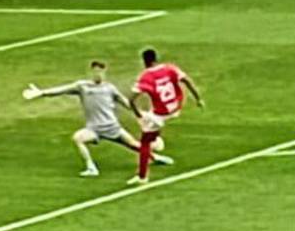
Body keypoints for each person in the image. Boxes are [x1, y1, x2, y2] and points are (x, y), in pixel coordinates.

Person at [23, 61, 173, 177]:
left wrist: (141, 114)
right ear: (91, 72)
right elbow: (61, 90)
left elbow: (125, 102)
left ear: (104, 73)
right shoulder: (82, 86)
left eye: (100, 72)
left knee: (135, 145)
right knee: (78, 138)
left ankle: (156, 157)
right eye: (95, 72)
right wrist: (41, 93)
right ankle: (91, 167)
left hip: (112, 127)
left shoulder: (109, 88)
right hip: (94, 129)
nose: (98, 75)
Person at [127, 48, 203, 184]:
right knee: (151, 120)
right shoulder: (170, 68)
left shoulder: (146, 76)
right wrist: (198, 98)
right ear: (156, 58)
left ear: (144, 61)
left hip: (160, 114)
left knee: (145, 142)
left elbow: (131, 99)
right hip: (175, 107)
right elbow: (187, 80)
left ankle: (142, 176)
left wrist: (138, 115)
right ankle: (156, 138)